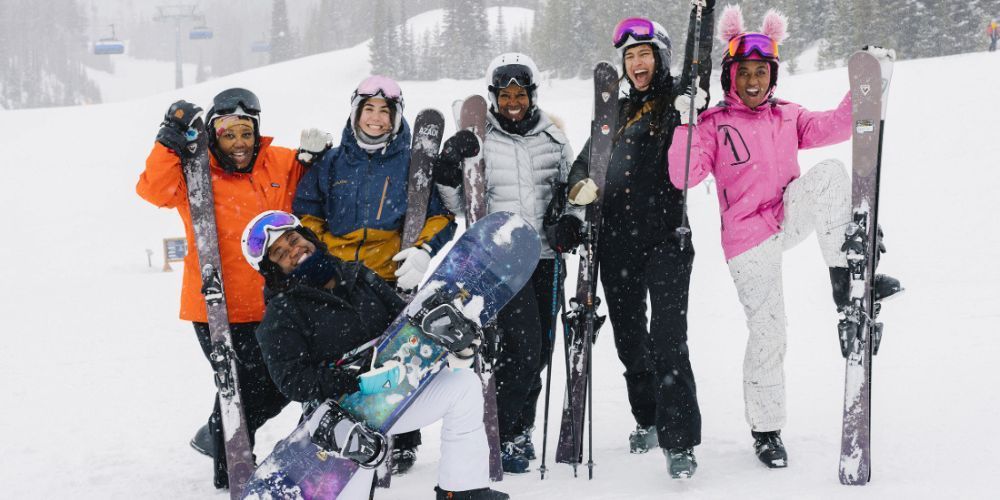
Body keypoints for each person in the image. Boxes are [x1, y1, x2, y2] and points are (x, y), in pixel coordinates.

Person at [665, 5, 903, 469]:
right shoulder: (712, 124)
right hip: (747, 243)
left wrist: (867, 84)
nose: (752, 81)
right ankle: (767, 431)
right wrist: (685, 123)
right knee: (770, 333)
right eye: (744, 73)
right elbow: (683, 176)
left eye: (761, 72)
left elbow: (837, 125)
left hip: (785, 217)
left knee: (831, 173)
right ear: (729, 76)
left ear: (772, 74)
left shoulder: (788, 116)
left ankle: (844, 278)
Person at [136, 88, 331, 488]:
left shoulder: (278, 161)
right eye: (228, 134)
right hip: (214, 307)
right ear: (213, 135)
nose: (239, 144)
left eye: (246, 133)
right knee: (235, 386)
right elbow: (152, 190)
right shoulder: (194, 170)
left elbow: (316, 190)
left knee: (274, 384)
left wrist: (319, 157)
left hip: (270, 302)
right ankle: (232, 467)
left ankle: (217, 436)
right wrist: (166, 141)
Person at [241, 210, 508, 500]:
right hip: (343, 414)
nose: (294, 251)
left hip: (395, 393)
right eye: (280, 254)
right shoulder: (280, 315)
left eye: (293, 240)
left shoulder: (358, 275)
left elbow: (404, 320)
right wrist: (340, 378)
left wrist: (448, 338)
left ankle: (462, 490)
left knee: (463, 386)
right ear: (274, 269)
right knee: (357, 449)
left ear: (308, 237)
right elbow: (291, 380)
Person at [563, 0, 715, 479]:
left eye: (644, 54)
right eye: (629, 57)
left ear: (661, 57)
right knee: (631, 342)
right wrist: (578, 189)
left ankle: (680, 441)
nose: (636, 63)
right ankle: (648, 418)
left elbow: (699, 72)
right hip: (617, 244)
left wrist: (703, 15)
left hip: (667, 239)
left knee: (669, 342)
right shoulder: (615, 112)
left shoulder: (678, 102)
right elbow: (585, 163)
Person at [292, 75, 457, 473]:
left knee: (392, 359)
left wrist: (422, 251)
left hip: (386, 275)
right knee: (335, 358)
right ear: (355, 113)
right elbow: (306, 213)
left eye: (386, 111)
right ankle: (330, 431)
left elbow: (441, 217)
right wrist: (321, 259)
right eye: (369, 109)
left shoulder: (410, 164)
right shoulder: (331, 162)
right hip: (338, 276)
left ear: (397, 117)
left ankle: (402, 437)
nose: (377, 119)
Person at [432, 52, 581, 474]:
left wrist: (572, 220)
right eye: (504, 94)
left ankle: (517, 428)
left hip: (547, 259)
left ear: (532, 95)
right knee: (521, 348)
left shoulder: (553, 137)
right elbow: (460, 203)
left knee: (541, 352)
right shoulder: (481, 138)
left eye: (520, 93)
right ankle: (507, 430)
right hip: (499, 263)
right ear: (494, 97)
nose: (512, 101)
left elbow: (576, 188)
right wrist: (448, 166)